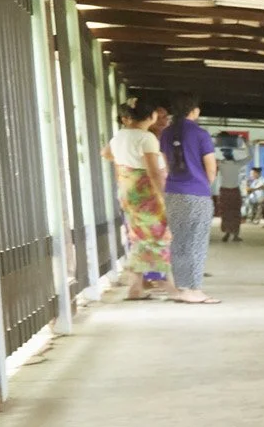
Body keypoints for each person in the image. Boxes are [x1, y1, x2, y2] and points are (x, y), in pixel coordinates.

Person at [102, 101, 171, 300]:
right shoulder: (146, 138)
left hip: (127, 190)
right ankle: (153, 283)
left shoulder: (119, 136)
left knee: (138, 236)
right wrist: (164, 196)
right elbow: (153, 171)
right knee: (155, 235)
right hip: (145, 193)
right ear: (151, 116)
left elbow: (105, 153)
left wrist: (125, 162)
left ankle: (139, 285)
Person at [160, 94, 221, 304]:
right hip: (196, 192)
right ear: (194, 111)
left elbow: (166, 164)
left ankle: (181, 287)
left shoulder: (166, 133)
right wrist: (206, 184)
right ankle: (194, 289)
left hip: (173, 192)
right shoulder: (201, 134)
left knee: (178, 241)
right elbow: (210, 166)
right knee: (197, 241)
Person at [214, 136, 251, 242]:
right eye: (225, 152)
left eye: (228, 152)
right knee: (226, 213)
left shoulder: (236, 164)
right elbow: (250, 157)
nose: (226, 154)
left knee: (234, 212)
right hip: (226, 190)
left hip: (233, 190)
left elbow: (250, 157)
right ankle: (227, 233)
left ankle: (235, 234)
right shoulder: (221, 163)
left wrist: (246, 143)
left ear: (231, 153)